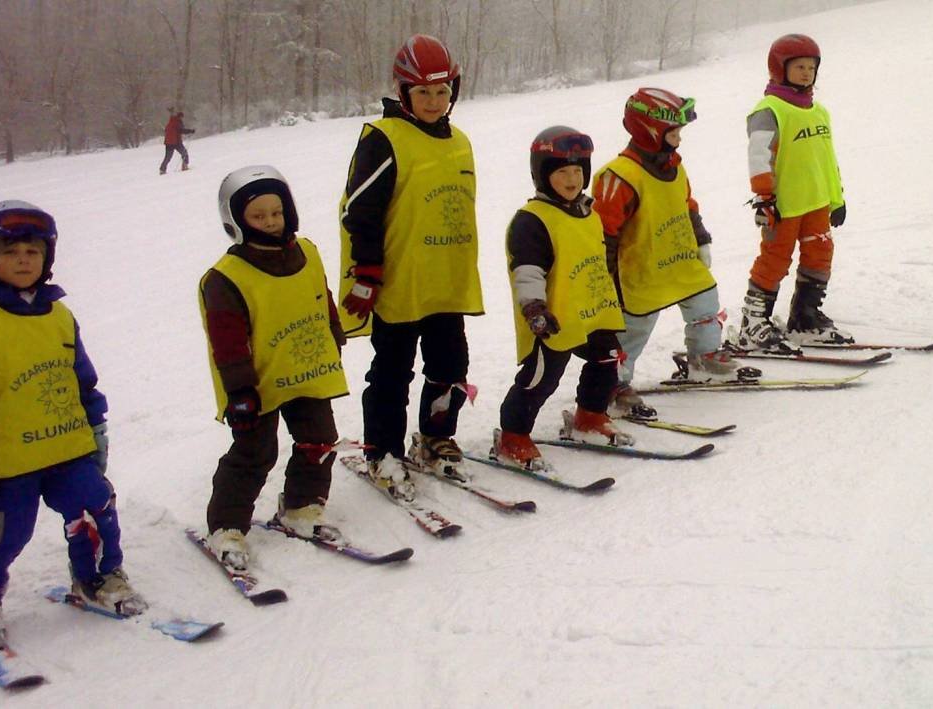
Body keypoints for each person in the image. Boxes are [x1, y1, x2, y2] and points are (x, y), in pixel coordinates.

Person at [0, 201, 144, 652]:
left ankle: (96, 579)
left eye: (33, 252)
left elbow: (81, 379)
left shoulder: (58, 315)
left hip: (67, 450)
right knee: (2, 533)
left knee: (95, 508)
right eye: (10, 251)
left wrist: (96, 429)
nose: (23, 260)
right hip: (5, 462)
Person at [337, 34, 483, 495]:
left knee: (449, 365)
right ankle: (382, 452)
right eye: (423, 92)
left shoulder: (459, 142)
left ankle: (435, 437)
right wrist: (366, 274)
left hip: (447, 282)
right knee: (392, 372)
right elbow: (359, 212)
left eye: (443, 92)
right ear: (403, 92)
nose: (435, 102)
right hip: (399, 284)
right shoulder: (385, 140)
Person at [201, 165, 348, 570]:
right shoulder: (225, 278)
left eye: (276, 212)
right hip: (256, 384)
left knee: (319, 442)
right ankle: (227, 526)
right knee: (254, 453)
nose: (269, 221)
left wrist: (333, 333)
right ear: (236, 222)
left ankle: (301, 506)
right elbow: (227, 342)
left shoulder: (308, 252)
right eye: (258, 215)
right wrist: (240, 392)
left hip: (308, 372)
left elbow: (321, 296)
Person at [592, 88, 743, 407]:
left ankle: (704, 357)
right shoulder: (618, 176)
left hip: (681, 261)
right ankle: (613, 383)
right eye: (674, 132)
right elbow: (603, 233)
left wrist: (701, 238)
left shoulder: (676, 167)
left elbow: (687, 205)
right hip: (642, 271)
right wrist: (604, 281)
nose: (680, 138)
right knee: (634, 329)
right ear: (650, 132)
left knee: (705, 303)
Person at [492, 126, 629, 470]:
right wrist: (534, 308)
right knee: (542, 377)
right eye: (562, 172)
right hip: (553, 318)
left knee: (607, 359)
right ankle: (514, 435)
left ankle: (590, 415)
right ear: (542, 174)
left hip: (593, 311)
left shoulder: (589, 214)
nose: (572, 179)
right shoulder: (532, 221)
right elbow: (528, 271)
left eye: (578, 171)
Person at [734, 33, 848, 351]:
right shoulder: (769, 110)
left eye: (811, 67)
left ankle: (805, 317)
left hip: (816, 204)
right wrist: (764, 198)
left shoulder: (819, 112)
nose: (806, 73)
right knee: (775, 259)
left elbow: (826, 158)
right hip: (783, 205)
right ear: (779, 68)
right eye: (798, 66)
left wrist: (836, 199)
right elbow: (759, 157)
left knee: (820, 255)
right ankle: (753, 322)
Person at [159, 109, 194, 175]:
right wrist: (191, 131)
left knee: (168, 157)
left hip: (169, 143)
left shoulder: (170, 122)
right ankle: (185, 166)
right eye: (182, 117)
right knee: (184, 153)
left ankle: (162, 170)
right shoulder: (177, 122)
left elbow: (166, 130)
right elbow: (181, 130)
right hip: (176, 142)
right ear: (180, 117)